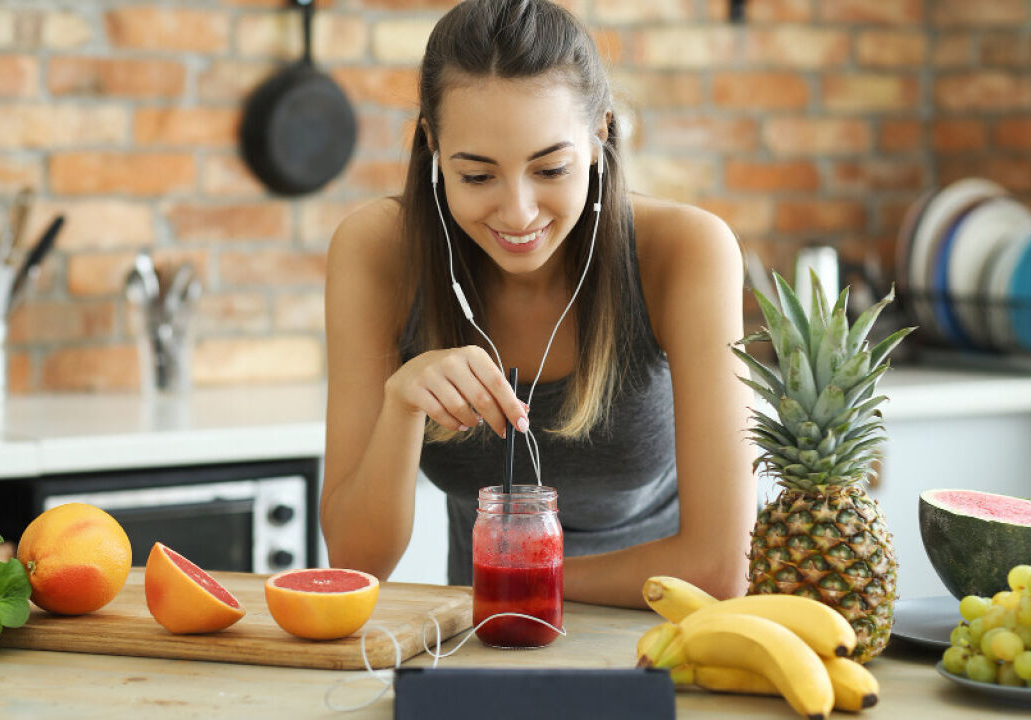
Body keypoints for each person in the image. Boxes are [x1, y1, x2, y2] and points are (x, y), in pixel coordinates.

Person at [320, 0, 756, 609]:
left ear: (600, 135)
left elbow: (716, 569)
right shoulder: (377, 253)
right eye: (476, 177)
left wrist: (509, 585)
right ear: (432, 146)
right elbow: (356, 561)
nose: (518, 213)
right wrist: (401, 403)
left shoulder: (684, 251)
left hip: (661, 637)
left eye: (550, 168)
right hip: (482, 643)